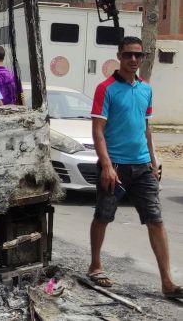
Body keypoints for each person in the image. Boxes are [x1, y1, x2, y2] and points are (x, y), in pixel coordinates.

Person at [87, 36, 181, 298]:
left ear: (142, 58)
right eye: (128, 54)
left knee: (156, 220)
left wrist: (154, 162)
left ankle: (167, 283)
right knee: (103, 216)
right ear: (119, 56)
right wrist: (106, 165)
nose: (133, 60)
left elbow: (146, 127)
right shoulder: (105, 88)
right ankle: (95, 265)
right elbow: (97, 130)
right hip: (115, 165)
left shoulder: (145, 89)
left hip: (142, 166)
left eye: (138, 55)